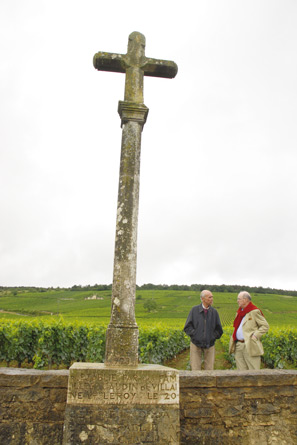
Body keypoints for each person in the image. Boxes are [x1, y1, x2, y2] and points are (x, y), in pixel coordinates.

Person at [229, 291, 269, 370]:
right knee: (241, 372)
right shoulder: (239, 312)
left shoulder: (254, 311)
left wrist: (255, 336)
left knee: (253, 371)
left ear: (245, 300)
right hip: (238, 345)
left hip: (250, 345)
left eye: (239, 299)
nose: (237, 301)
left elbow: (265, 326)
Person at [184, 290, 223, 370]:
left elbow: (219, 330)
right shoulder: (194, 310)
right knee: (195, 369)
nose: (212, 299)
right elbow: (187, 327)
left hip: (210, 345)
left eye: (212, 297)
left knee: (209, 369)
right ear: (202, 299)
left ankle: (208, 383)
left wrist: (212, 337)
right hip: (195, 344)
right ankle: (196, 382)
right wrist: (195, 335)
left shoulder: (214, 312)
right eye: (209, 297)